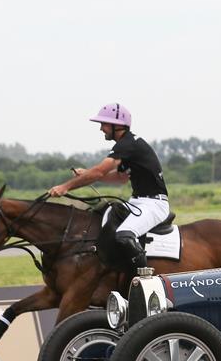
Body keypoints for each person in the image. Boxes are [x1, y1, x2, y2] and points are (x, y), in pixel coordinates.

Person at [48, 103, 169, 271]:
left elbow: (99, 172)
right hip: (137, 202)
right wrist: (87, 173)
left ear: (117, 125)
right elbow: (121, 178)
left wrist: (65, 187)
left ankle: (145, 280)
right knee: (103, 226)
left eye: (104, 124)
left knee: (124, 236)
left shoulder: (127, 144)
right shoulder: (126, 145)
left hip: (154, 205)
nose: (101, 129)